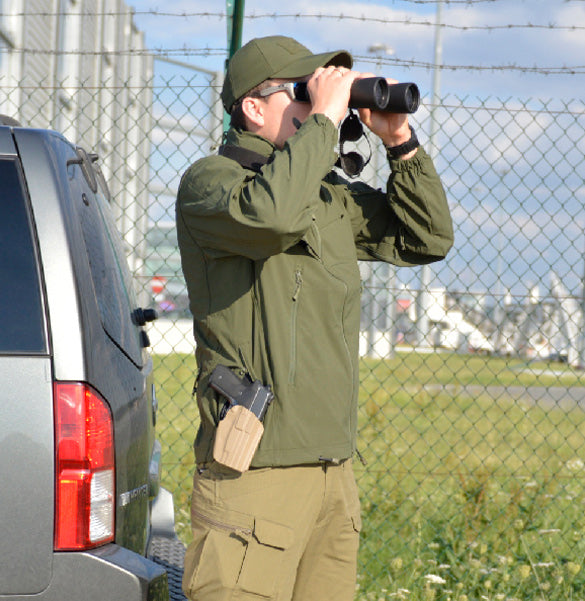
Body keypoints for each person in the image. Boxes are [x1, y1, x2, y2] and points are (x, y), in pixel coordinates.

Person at [176, 35, 454, 601]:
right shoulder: (212, 183)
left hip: (333, 473)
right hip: (256, 472)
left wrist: (399, 142)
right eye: (302, 92)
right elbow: (271, 218)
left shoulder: (328, 197)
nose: (319, 102)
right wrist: (324, 121)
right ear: (253, 108)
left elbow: (426, 238)